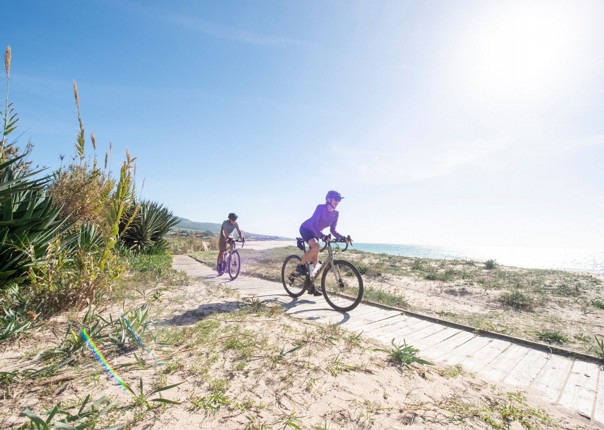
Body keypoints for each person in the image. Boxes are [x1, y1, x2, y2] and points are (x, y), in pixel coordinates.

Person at [295, 190, 349, 295]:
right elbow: (313, 225)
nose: (338, 202)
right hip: (307, 229)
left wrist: (343, 238)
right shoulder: (320, 208)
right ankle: (300, 265)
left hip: (316, 233)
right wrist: (322, 236)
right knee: (316, 246)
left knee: (315, 262)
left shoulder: (336, 214)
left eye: (339, 200)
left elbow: (333, 230)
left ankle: (310, 286)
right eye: (336, 199)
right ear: (328, 199)